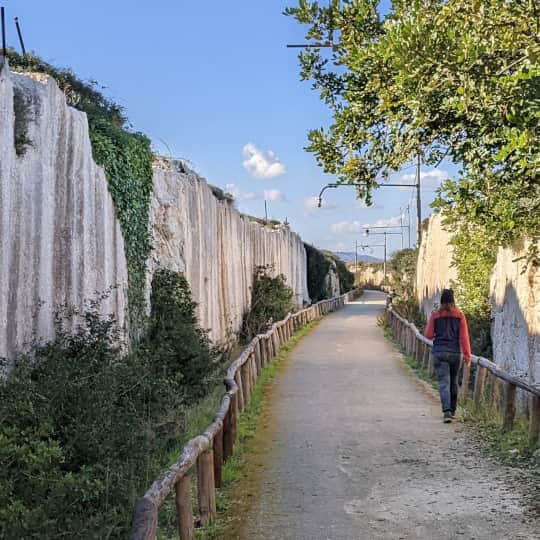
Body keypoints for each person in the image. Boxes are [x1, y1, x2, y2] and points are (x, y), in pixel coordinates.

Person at [424, 289, 472, 423]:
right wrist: (467, 356)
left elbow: (428, 335)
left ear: (441, 301)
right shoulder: (460, 315)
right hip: (455, 353)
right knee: (453, 381)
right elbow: (464, 337)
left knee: (443, 382)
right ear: (453, 300)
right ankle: (453, 410)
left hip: (439, 352)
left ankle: (446, 411)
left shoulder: (435, 315)